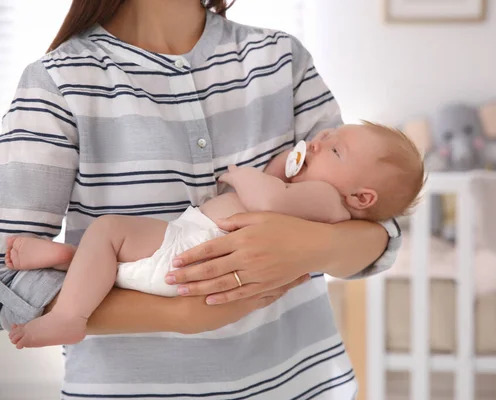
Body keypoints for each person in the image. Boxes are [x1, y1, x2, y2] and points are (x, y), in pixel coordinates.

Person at [0, 0, 403, 398]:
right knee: (111, 249)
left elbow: (378, 223)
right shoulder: (57, 81)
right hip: (134, 389)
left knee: (114, 248)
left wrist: (308, 246)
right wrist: (180, 315)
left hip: (306, 384)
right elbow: (7, 279)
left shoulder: (280, 59)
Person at [6, 122, 424, 349]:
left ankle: (70, 315)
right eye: (327, 135)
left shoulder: (327, 199)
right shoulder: (320, 195)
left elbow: (271, 200)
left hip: (192, 248)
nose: (319, 141)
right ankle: (66, 258)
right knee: (115, 254)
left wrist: (245, 175)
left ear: (362, 196)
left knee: (110, 232)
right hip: (187, 245)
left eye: (335, 150)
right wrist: (287, 163)